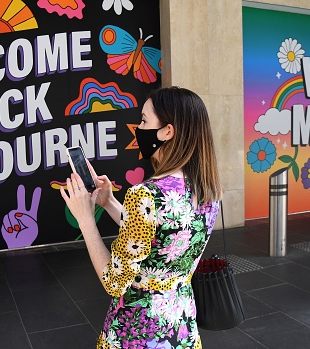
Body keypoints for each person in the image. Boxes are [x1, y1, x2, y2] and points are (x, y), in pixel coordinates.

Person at [60, 86, 222, 349]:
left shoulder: (144, 194)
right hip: (181, 328)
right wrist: (109, 202)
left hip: (137, 332)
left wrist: (86, 219)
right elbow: (156, 236)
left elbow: (114, 282)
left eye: (145, 121)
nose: (139, 128)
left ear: (167, 131)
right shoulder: (208, 188)